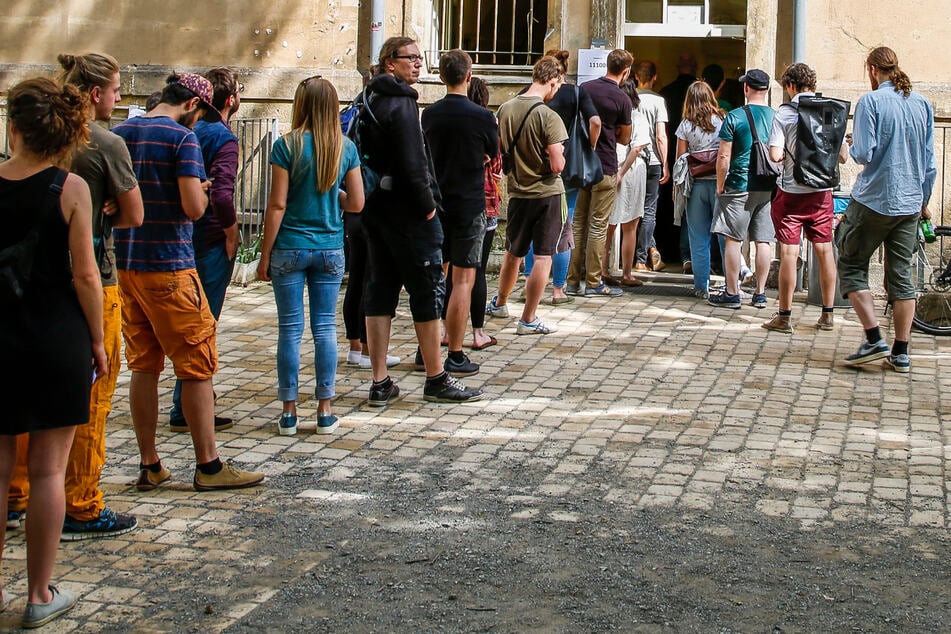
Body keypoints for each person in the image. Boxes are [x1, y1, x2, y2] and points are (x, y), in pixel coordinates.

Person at [6, 54, 145, 542]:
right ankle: (81, 503)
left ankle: (14, 498)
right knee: (86, 405)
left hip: (17, 294)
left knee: (16, 410)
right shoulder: (103, 146)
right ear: (92, 93)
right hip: (89, 285)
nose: (119, 97)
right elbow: (131, 216)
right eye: (114, 88)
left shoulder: (24, 163)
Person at [113, 73, 264, 490]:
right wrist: (201, 186)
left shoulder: (120, 133)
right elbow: (195, 209)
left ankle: (150, 463)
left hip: (128, 263)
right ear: (193, 107)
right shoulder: (182, 140)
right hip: (171, 264)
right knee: (197, 364)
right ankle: (209, 465)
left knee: (143, 365)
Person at [0, 76, 106, 628]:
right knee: (47, 471)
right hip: (55, 336)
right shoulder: (70, 190)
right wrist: (97, 338)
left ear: (13, 128)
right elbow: (86, 274)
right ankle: (40, 592)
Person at [357, 37, 482, 405]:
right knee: (427, 292)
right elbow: (413, 165)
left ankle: (380, 381)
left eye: (420, 58)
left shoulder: (369, 99)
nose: (418, 64)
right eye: (410, 58)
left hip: (376, 210)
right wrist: (429, 208)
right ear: (389, 62)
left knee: (379, 291)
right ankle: (436, 377)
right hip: (409, 215)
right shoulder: (402, 104)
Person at [256, 77, 364, 435]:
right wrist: (335, 198)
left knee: (290, 328)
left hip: (289, 244)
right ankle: (324, 408)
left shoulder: (285, 146)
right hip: (330, 246)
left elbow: (277, 204)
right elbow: (357, 202)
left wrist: (264, 253)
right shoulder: (344, 147)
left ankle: (288, 411)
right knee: (324, 328)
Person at [839, 47, 936, 372]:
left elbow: (865, 153)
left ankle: (873, 337)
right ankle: (902, 351)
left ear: (871, 69)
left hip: (875, 200)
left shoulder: (871, 102)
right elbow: (929, 163)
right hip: (910, 202)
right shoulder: (921, 103)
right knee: (902, 278)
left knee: (851, 264)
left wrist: (852, 145)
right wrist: (923, 201)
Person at [167, 67, 242, 434]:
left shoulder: (188, 130)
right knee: (204, 322)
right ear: (230, 100)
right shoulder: (223, 139)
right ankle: (187, 405)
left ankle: (185, 401)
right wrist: (232, 233)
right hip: (210, 236)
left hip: (180, 236)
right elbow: (223, 193)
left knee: (186, 323)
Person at [422, 49, 498, 377]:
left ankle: (426, 344)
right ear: (469, 76)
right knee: (463, 279)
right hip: (469, 203)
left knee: (436, 276)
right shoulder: (482, 116)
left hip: (437, 203)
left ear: (441, 77)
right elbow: (492, 153)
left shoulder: (430, 115)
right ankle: (454, 351)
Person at [762, 63, 849, 334]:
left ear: (790, 86)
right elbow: (843, 156)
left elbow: (775, 155)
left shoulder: (785, 114)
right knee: (824, 252)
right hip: (821, 194)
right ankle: (827, 314)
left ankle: (785, 316)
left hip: (791, 192)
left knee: (789, 253)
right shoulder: (828, 111)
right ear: (812, 84)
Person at [484, 56, 568, 333]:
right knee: (543, 256)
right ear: (553, 81)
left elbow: (497, 150)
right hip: (547, 193)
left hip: (518, 191)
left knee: (513, 252)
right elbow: (557, 165)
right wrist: (561, 156)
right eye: (559, 84)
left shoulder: (505, 109)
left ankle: (500, 302)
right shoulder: (549, 116)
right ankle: (528, 318)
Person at [521, 49, 602, 304]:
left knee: (534, 227)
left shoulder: (531, 92)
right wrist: (591, 145)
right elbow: (596, 121)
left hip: (536, 167)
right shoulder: (577, 92)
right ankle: (558, 290)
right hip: (568, 167)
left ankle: (529, 286)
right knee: (563, 227)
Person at [565, 48, 633, 297]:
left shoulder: (585, 88)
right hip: (605, 165)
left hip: (581, 165)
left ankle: (572, 281)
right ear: (625, 71)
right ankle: (594, 282)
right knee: (597, 226)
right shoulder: (622, 99)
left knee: (578, 223)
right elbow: (625, 138)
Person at [708, 69, 776, 310]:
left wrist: (719, 184)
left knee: (733, 240)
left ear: (746, 88)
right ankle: (760, 293)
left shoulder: (734, 117)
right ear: (766, 90)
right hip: (767, 186)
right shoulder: (776, 117)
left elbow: (723, 155)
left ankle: (732, 292)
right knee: (763, 240)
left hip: (738, 184)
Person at [675, 81, 726, 298]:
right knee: (725, 235)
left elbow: (680, 159)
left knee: (698, 236)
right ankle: (731, 282)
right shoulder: (723, 121)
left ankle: (701, 285)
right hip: (719, 184)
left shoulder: (686, 125)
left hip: (695, 185)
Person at [466, 77, 503, 351]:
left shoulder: (438, 116)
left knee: (450, 269)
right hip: (485, 198)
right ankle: (477, 331)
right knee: (477, 268)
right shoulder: (487, 121)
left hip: (450, 201)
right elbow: (497, 160)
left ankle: (445, 329)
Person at [604, 78, 649, 287]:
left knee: (608, 223)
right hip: (631, 170)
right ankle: (627, 273)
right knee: (630, 224)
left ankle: (602, 269)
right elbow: (637, 148)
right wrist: (622, 172)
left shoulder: (612, 115)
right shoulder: (637, 116)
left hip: (612, 166)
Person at [660, 52, 698, 269]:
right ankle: (693, 257)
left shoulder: (665, 93)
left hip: (672, 157)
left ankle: (669, 250)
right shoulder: (702, 94)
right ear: (694, 66)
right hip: (699, 165)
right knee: (694, 215)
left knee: (668, 209)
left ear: (677, 66)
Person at [631, 60, 669, 272]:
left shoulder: (630, 98)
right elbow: (661, 135)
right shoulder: (659, 101)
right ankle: (641, 258)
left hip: (633, 160)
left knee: (633, 210)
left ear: (636, 76)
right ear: (655, 77)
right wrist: (665, 163)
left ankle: (650, 249)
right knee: (649, 210)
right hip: (653, 160)